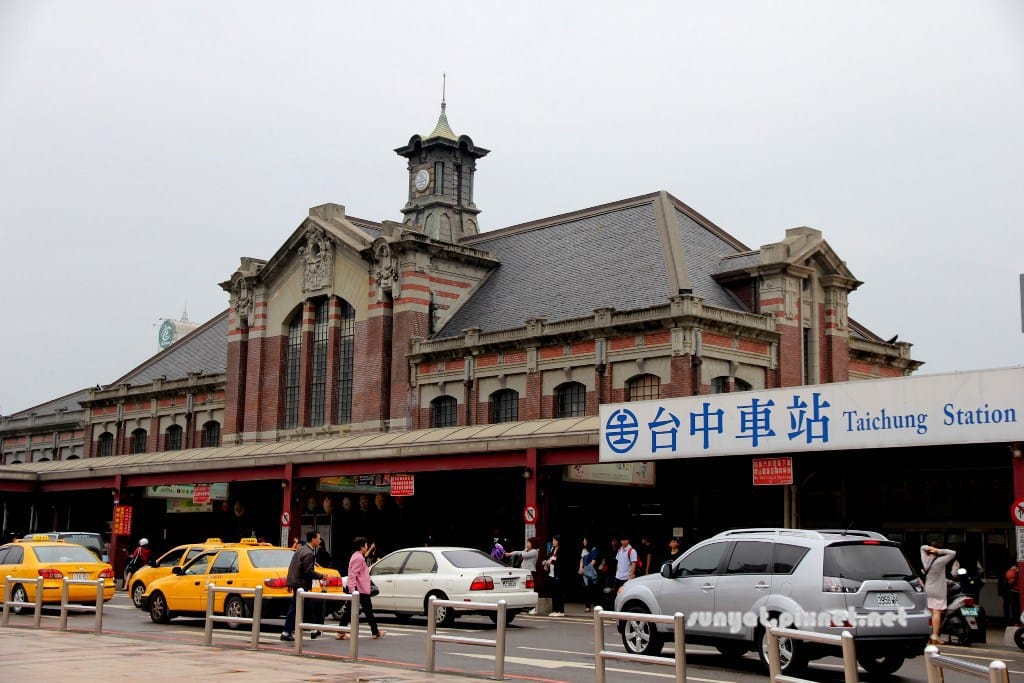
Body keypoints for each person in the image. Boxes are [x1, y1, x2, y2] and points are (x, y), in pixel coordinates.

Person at [281, 530, 326, 642]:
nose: (320, 541)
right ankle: (286, 632)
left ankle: (313, 630)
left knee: (307, 607)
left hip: (296, 583)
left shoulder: (300, 549)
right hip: (301, 584)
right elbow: (308, 571)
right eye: (318, 538)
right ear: (313, 539)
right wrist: (321, 576)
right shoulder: (309, 553)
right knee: (296, 608)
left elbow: (292, 567)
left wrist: (290, 582)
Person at [338, 536, 385, 639]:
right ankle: (374, 632)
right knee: (364, 611)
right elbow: (353, 575)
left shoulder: (356, 556)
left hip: (359, 589)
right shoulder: (358, 558)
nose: (367, 546)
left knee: (360, 611)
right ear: (361, 547)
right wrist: (352, 591)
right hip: (359, 590)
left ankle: (375, 632)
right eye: (366, 545)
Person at [920, 544, 956, 644]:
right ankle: (935, 636)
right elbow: (953, 553)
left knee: (930, 612)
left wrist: (929, 548)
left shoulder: (925, 560)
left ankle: (929, 635)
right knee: (937, 612)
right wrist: (939, 550)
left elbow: (922, 547)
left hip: (928, 588)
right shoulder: (940, 561)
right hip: (938, 590)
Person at [507, 537, 540, 614]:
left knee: (531, 591)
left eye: (529, 543)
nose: (527, 544)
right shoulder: (528, 551)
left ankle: (533, 608)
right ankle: (526, 608)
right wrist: (510, 554)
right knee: (525, 590)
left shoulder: (534, 551)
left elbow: (524, 555)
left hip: (530, 572)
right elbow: (518, 552)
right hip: (524, 572)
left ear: (533, 544)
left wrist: (524, 550)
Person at [542, 534, 565, 616]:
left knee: (559, 593)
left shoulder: (561, 550)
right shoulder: (552, 549)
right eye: (553, 540)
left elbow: (560, 562)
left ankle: (561, 611)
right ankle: (555, 610)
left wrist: (552, 562)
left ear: (558, 541)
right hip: (551, 573)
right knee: (554, 593)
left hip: (558, 574)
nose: (553, 542)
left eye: (555, 540)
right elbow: (549, 558)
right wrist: (547, 562)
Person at [579, 535, 600, 612]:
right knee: (585, 589)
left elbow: (593, 562)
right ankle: (587, 606)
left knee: (593, 589)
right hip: (584, 572)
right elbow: (581, 560)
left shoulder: (593, 549)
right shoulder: (584, 550)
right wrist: (580, 568)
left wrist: (585, 569)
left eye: (585, 541)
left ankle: (596, 606)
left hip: (591, 572)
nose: (583, 542)